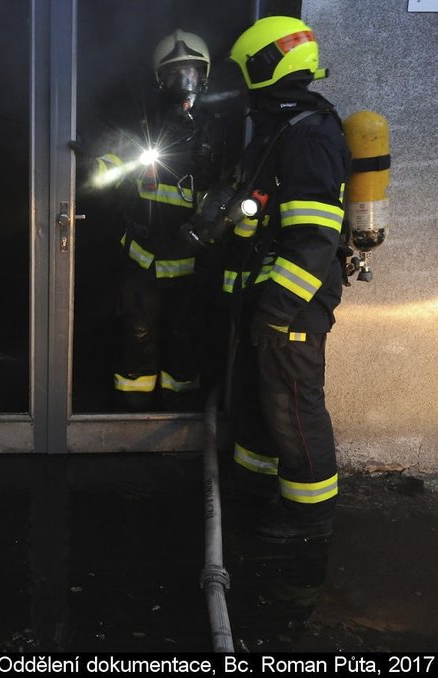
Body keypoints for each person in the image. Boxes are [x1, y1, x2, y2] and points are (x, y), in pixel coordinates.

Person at [223, 16, 351, 542]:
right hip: (269, 299)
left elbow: (314, 240)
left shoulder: (308, 138)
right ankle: (255, 490)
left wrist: (276, 312)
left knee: (294, 407)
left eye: (245, 69)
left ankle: (309, 518)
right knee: (260, 400)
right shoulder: (283, 129)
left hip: (293, 306)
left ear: (267, 65)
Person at [88, 29, 226, 411]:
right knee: (137, 335)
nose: (184, 81)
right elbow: (114, 165)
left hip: (191, 254)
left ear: (205, 75)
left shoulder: (215, 127)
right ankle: (132, 411)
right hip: (143, 255)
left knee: (185, 336)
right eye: (174, 72)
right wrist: (90, 164)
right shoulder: (144, 123)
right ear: (159, 79)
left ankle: (178, 410)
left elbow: (226, 184)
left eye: (192, 71)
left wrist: (206, 227)